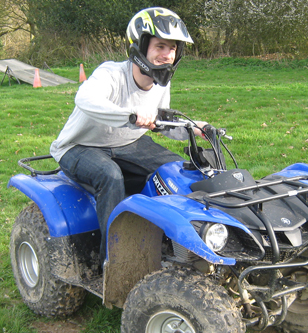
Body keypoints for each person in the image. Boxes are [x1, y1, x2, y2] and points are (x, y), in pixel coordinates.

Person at [50, 7, 202, 259]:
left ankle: (174, 244)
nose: (167, 55)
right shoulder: (110, 73)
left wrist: (194, 129)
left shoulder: (160, 83)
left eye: (172, 48)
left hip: (128, 143)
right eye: (160, 47)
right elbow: (85, 98)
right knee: (111, 177)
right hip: (79, 146)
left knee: (175, 170)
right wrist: (129, 114)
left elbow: (161, 122)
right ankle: (113, 261)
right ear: (140, 48)